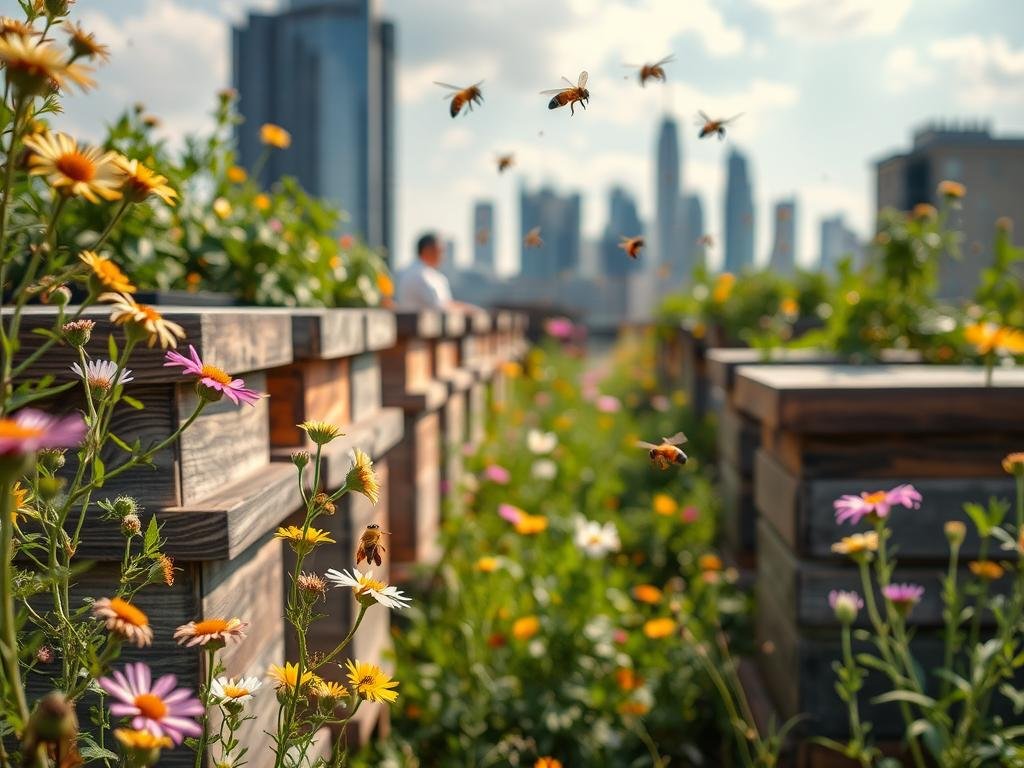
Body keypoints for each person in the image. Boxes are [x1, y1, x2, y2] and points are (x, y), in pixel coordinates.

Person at [395, 232, 474, 311]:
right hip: (420, 322)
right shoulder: (419, 274)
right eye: (440, 250)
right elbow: (440, 307)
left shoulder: (426, 273)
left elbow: (446, 303)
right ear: (428, 250)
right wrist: (470, 310)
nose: (443, 256)